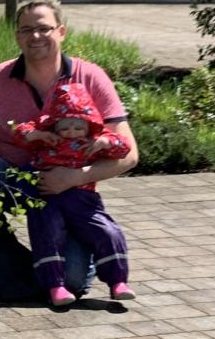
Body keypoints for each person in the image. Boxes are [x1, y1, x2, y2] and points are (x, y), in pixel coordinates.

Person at [0, 0, 138, 301]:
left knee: (74, 284)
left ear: (61, 32)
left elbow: (130, 154)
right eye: (26, 30)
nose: (35, 36)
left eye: (44, 28)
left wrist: (75, 178)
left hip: (67, 190)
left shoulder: (91, 78)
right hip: (16, 180)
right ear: (17, 36)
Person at [13, 82, 135, 306]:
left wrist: (104, 142)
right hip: (48, 197)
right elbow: (20, 132)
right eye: (65, 127)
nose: (71, 133)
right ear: (55, 125)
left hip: (83, 199)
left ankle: (118, 282)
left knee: (107, 231)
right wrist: (38, 134)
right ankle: (55, 286)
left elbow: (124, 147)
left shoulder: (93, 141)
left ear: (88, 126)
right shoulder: (47, 138)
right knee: (47, 234)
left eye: (78, 127)